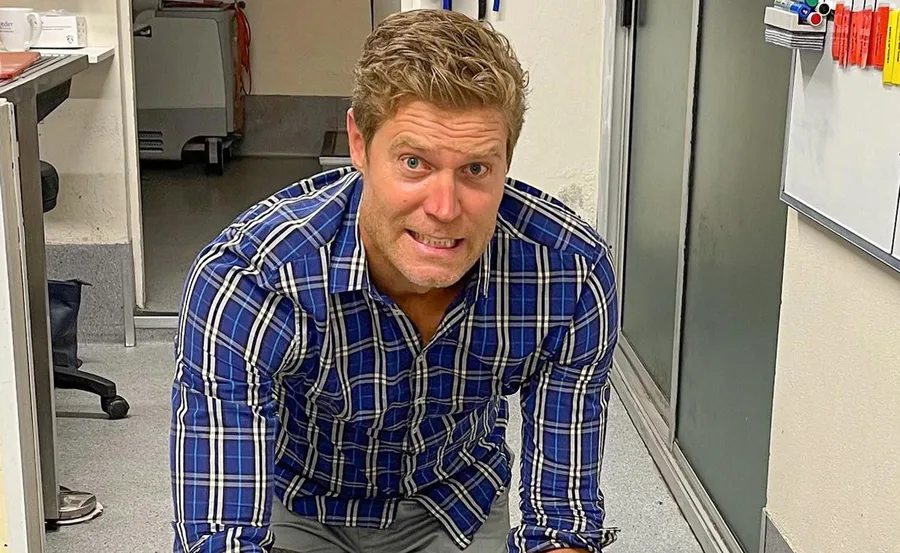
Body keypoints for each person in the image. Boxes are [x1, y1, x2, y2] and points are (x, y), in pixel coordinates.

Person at [170, 8, 619, 553]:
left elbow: (562, 518)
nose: (445, 208)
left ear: (507, 159)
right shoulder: (253, 279)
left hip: (456, 500)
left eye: (476, 168)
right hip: (300, 504)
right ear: (359, 143)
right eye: (413, 163)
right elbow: (222, 530)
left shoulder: (568, 274)